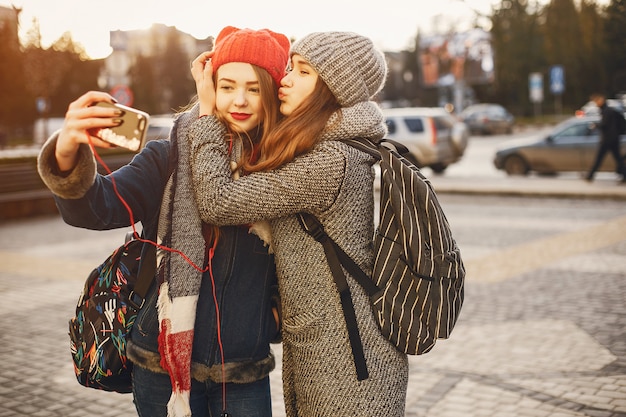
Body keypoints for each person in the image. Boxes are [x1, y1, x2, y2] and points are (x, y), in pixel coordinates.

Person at [37, 26, 290, 417]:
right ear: (209, 88)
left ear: (272, 93)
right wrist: (68, 150)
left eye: (254, 88)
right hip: (160, 369)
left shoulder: (285, 168)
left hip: (243, 373)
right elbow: (97, 207)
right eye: (226, 86)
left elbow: (297, 262)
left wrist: (269, 319)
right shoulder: (167, 157)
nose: (239, 100)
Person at [189, 31, 409, 416]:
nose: (285, 79)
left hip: (348, 361)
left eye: (302, 72)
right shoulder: (326, 148)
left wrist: (207, 116)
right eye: (290, 66)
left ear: (330, 89)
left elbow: (218, 202)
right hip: (329, 346)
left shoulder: (330, 162)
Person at [585, 93, 626, 183]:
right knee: (618, 158)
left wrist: (596, 125)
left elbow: (605, 125)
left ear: (601, 100)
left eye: (596, 101)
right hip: (613, 138)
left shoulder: (607, 111)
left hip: (607, 139)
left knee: (599, 158)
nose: (596, 104)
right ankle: (624, 174)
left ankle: (590, 175)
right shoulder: (609, 110)